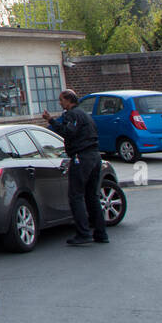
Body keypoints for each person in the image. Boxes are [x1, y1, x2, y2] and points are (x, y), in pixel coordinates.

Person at [41, 88, 108, 245]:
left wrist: (51, 121)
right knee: (92, 197)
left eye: (62, 100)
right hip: (95, 156)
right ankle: (101, 233)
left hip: (81, 158)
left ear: (69, 100)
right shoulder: (85, 115)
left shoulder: (72, 115)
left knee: (76, 196)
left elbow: (68, 132)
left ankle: (83, 233)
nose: (60, 102)